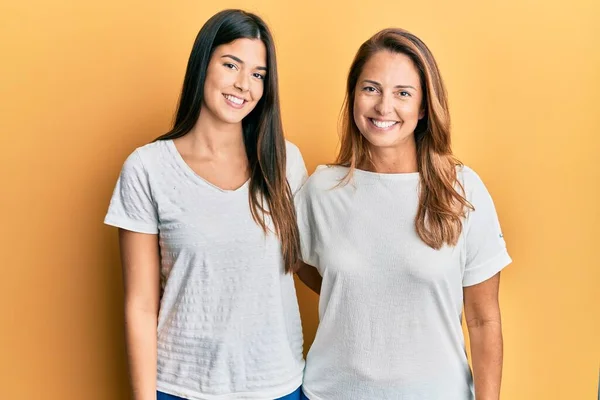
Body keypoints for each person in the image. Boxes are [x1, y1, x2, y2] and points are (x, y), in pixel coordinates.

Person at [295, 28, 512, 400]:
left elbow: (482, 318)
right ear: (353, 98)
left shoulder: (462, 190)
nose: (384, 107)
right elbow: (305, 266)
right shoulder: (321, 190)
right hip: (331, 392)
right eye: (371, 88)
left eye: (403, 93)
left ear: (424, 106)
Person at [104, 9, 307, 400]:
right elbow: (141, 306)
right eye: (231, 64)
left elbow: (305, 264)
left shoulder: (284, 161)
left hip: (278, 386)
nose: (243, 84)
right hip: (180, 387)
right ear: (203, 64)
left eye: (258, 74)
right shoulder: (147, 169)